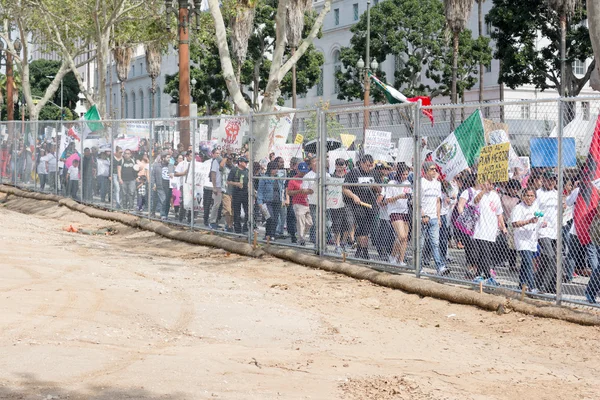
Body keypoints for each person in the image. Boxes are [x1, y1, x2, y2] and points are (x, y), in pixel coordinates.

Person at [469, 180, 507, 280]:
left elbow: (499, 213)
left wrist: (503, 227)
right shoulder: (478, 193)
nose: (490, 185)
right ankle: (487, 275)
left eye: (492, 183)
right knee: (485, 253)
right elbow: (475, 201)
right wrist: (483, 190)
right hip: (480, 229)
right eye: (488, 183)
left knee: (483, 254)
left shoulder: (495, 196)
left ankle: (478, 274)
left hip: (492, 230)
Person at [343, 154, 378, 260]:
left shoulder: (374, 173)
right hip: (358, 205)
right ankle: (365, 251)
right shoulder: (354, 172)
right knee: (364, 228)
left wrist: (375, 186)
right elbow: (344, 188)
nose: (369, 167)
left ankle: (360, 249)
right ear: (362, 163)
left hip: (371, 205)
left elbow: (381, 189)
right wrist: (354, 196)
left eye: (371, 165)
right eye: (367, 165)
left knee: (364, 229)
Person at [379, 163, 411, 266]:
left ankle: (400, 260)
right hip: (394, 211)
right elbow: (388, 199)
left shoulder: (407, 183)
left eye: (407, 174)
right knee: (401, 235)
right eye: (403, 174)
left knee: (405, 237)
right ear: (399, 173)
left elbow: (410, 195)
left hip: (405, 211)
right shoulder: (392, 182)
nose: (405, 176)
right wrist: (399, 196)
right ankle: (392, 256)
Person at [512, 187, 543, 293]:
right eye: (527, 195)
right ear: (523, 197)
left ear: (535, 197)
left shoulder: (536, 207)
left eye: (531, 196)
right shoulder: (518, 208)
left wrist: (542, 223)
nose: (529, 198)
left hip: (532, 240)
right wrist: (529, 221)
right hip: (522, 239)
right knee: (528, 262)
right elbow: (515, 223)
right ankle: (532, 286)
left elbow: (540, 219)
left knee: (526, 263)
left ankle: (521, 285)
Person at [420, 161, 447, 275]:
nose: (434, 171)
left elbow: (437, 201)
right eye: (431, 169)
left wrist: (438, 217)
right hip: (422, 217)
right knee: (420, 244)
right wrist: (423, 215)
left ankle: (439, 267)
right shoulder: (420, 183)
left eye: (435, 169)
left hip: (434, 218)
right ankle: (419, 267)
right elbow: (417, 202)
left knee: (435, 243)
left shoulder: (437, 184)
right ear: (425, 171)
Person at [536, 170, 559, 293]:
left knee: (552, 259)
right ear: (543, 180)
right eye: (549, 179)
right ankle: (543, 286)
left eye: (553, 180)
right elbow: (535, 209)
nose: (551, 182)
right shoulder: (538, 193)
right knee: (549, 256)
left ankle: (543, 283)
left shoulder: (557, 194)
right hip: (543, 230)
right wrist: (541, 219)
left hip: (555, 231)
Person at [257, 160, 285, 242]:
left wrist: (283, 199)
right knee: (270, 218)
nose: (276, 170)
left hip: (277, 201)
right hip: (267, 201)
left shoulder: (278, 178)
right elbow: (260, 191)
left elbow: (282, 188)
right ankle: (267, 234)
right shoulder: (264, 178)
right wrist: (260, 202)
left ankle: (272, 235)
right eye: (274, 169)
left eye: (277, 168)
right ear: (270, 169)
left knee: (276, 219)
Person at [287, 162, 312, 246]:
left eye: (305, 171)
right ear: (297, 170)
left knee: (309, 223)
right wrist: (299, 191)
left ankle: (302, 236)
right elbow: (289, 192)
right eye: (302, 171)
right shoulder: (293, 180)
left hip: (308, 202)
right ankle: (301, 240)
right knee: (300, 223)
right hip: (298, 203)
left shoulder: (308, 178)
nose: (303, 173)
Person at [330, 158, 350, 254]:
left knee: (347, 223)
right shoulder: (332, 176)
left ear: (345, 166)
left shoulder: (348, 176)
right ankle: (337, 244)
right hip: (335, 203)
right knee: (337, 224)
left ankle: (344, 243)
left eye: (341, 165)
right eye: (338, 165)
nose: (339, 167)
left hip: (347, 203)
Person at [228, 156, 250, 234]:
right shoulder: (234, 170)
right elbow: (228, 181)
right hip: (237, 193)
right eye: (245, 162)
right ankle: (237, 229)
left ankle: (245, 227)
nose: (246, 164)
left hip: (245, 194)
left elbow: (249, 182)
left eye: (247, 162)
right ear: (240, 162)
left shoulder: (247, 171)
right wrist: (236, 184)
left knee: (248, 211)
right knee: (237, 212)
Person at [209, 148, 225, 229]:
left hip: (224, 186)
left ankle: (217, 221)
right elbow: (213, 174)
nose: (218, 155)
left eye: (219, 153)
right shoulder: (215, 162)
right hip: (218, 186)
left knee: (222, 206)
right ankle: (212, 221)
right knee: (216, 204)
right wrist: (214, 187)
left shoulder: (224, 162)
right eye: (216, 153)